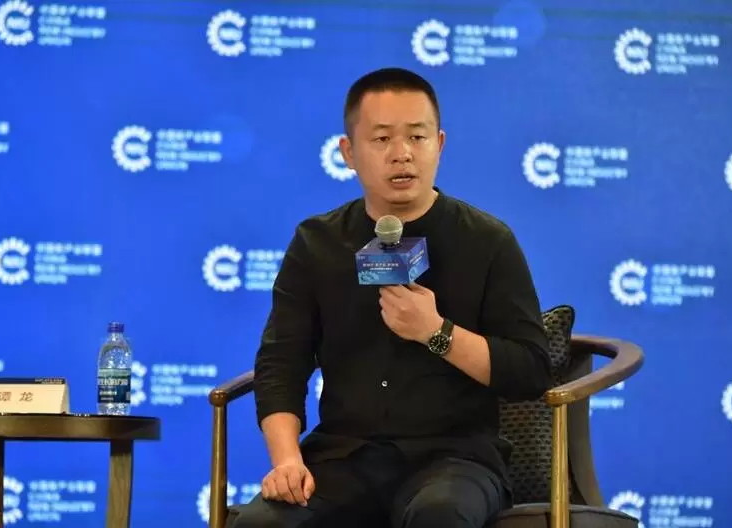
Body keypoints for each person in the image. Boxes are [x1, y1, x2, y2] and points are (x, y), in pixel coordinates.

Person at [233, 67, 552, 528]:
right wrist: (287, 461)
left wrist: (437, 333)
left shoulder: (488, 241)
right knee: (260, 525)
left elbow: (530, 370)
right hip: (344, 456)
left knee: (438, 516)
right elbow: (281, 363)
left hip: (456, 459)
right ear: (348, 153)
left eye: (417, 138)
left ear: (439, 145)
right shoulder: (318, 243)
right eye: (382, 139)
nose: (402, 154)